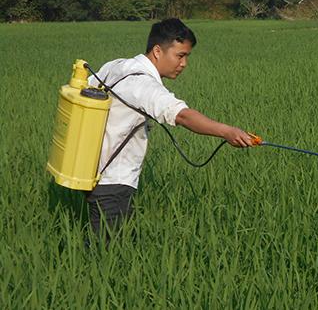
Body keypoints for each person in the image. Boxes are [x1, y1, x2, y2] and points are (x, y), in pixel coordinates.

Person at [85, 18, 254, 240]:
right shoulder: (143, 85)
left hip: (90, 170)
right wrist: (227, 132)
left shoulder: (117, 66)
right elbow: (183, 115)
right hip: (113, 180)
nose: (183, 64)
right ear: (157, 51)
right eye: (180, 55)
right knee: (108, 255)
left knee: (116, 246)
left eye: (187, 57)